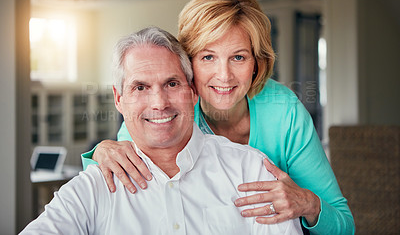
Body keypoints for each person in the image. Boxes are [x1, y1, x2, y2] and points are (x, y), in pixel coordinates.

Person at [82, 0, 355, 234]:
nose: (224, 76)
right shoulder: (168, 112)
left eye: (238, 57)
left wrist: (308, 204)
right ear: (188, 63)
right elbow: (107, 179)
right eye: (208, 57)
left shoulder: (284, 111)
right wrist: (101, 152)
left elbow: (344, 225)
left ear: (256, 63)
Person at [21, 27, 303, 234]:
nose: (159, 104)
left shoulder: (252, 171)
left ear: (193, 92)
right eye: (140, 87)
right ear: (119, 99)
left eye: (171, 84)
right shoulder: (92, 189)